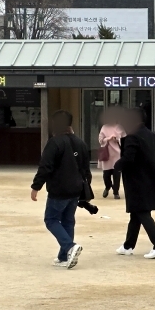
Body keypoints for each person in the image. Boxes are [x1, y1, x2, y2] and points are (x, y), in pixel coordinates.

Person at [30, 110, 90, 269]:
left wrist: (36, 186)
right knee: (68, 220)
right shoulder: (80, 142)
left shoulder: (54, 142)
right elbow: (86, 169)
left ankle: (69, 247)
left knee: (51, 219)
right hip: (76, 189)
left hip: (59, 189)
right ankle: (64, 256)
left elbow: (45, 166)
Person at [116, 107, 155, 259]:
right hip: (151, 179)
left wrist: (117, 165)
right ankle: (128, 245)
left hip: (138, 181)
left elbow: (129, 158)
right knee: (136, 212)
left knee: (142, 212)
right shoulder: (151, 135)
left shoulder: (133, 137)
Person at [97, 108, 125, 199]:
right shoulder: (104, 127)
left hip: (117, 153)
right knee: (106, 174)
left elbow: (124, 139)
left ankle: (116, 192)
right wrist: (108, 138)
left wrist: (117, 138)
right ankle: (108, 186)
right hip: (107, 153)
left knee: (117, 174)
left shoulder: (120, 127)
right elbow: (100, 140)